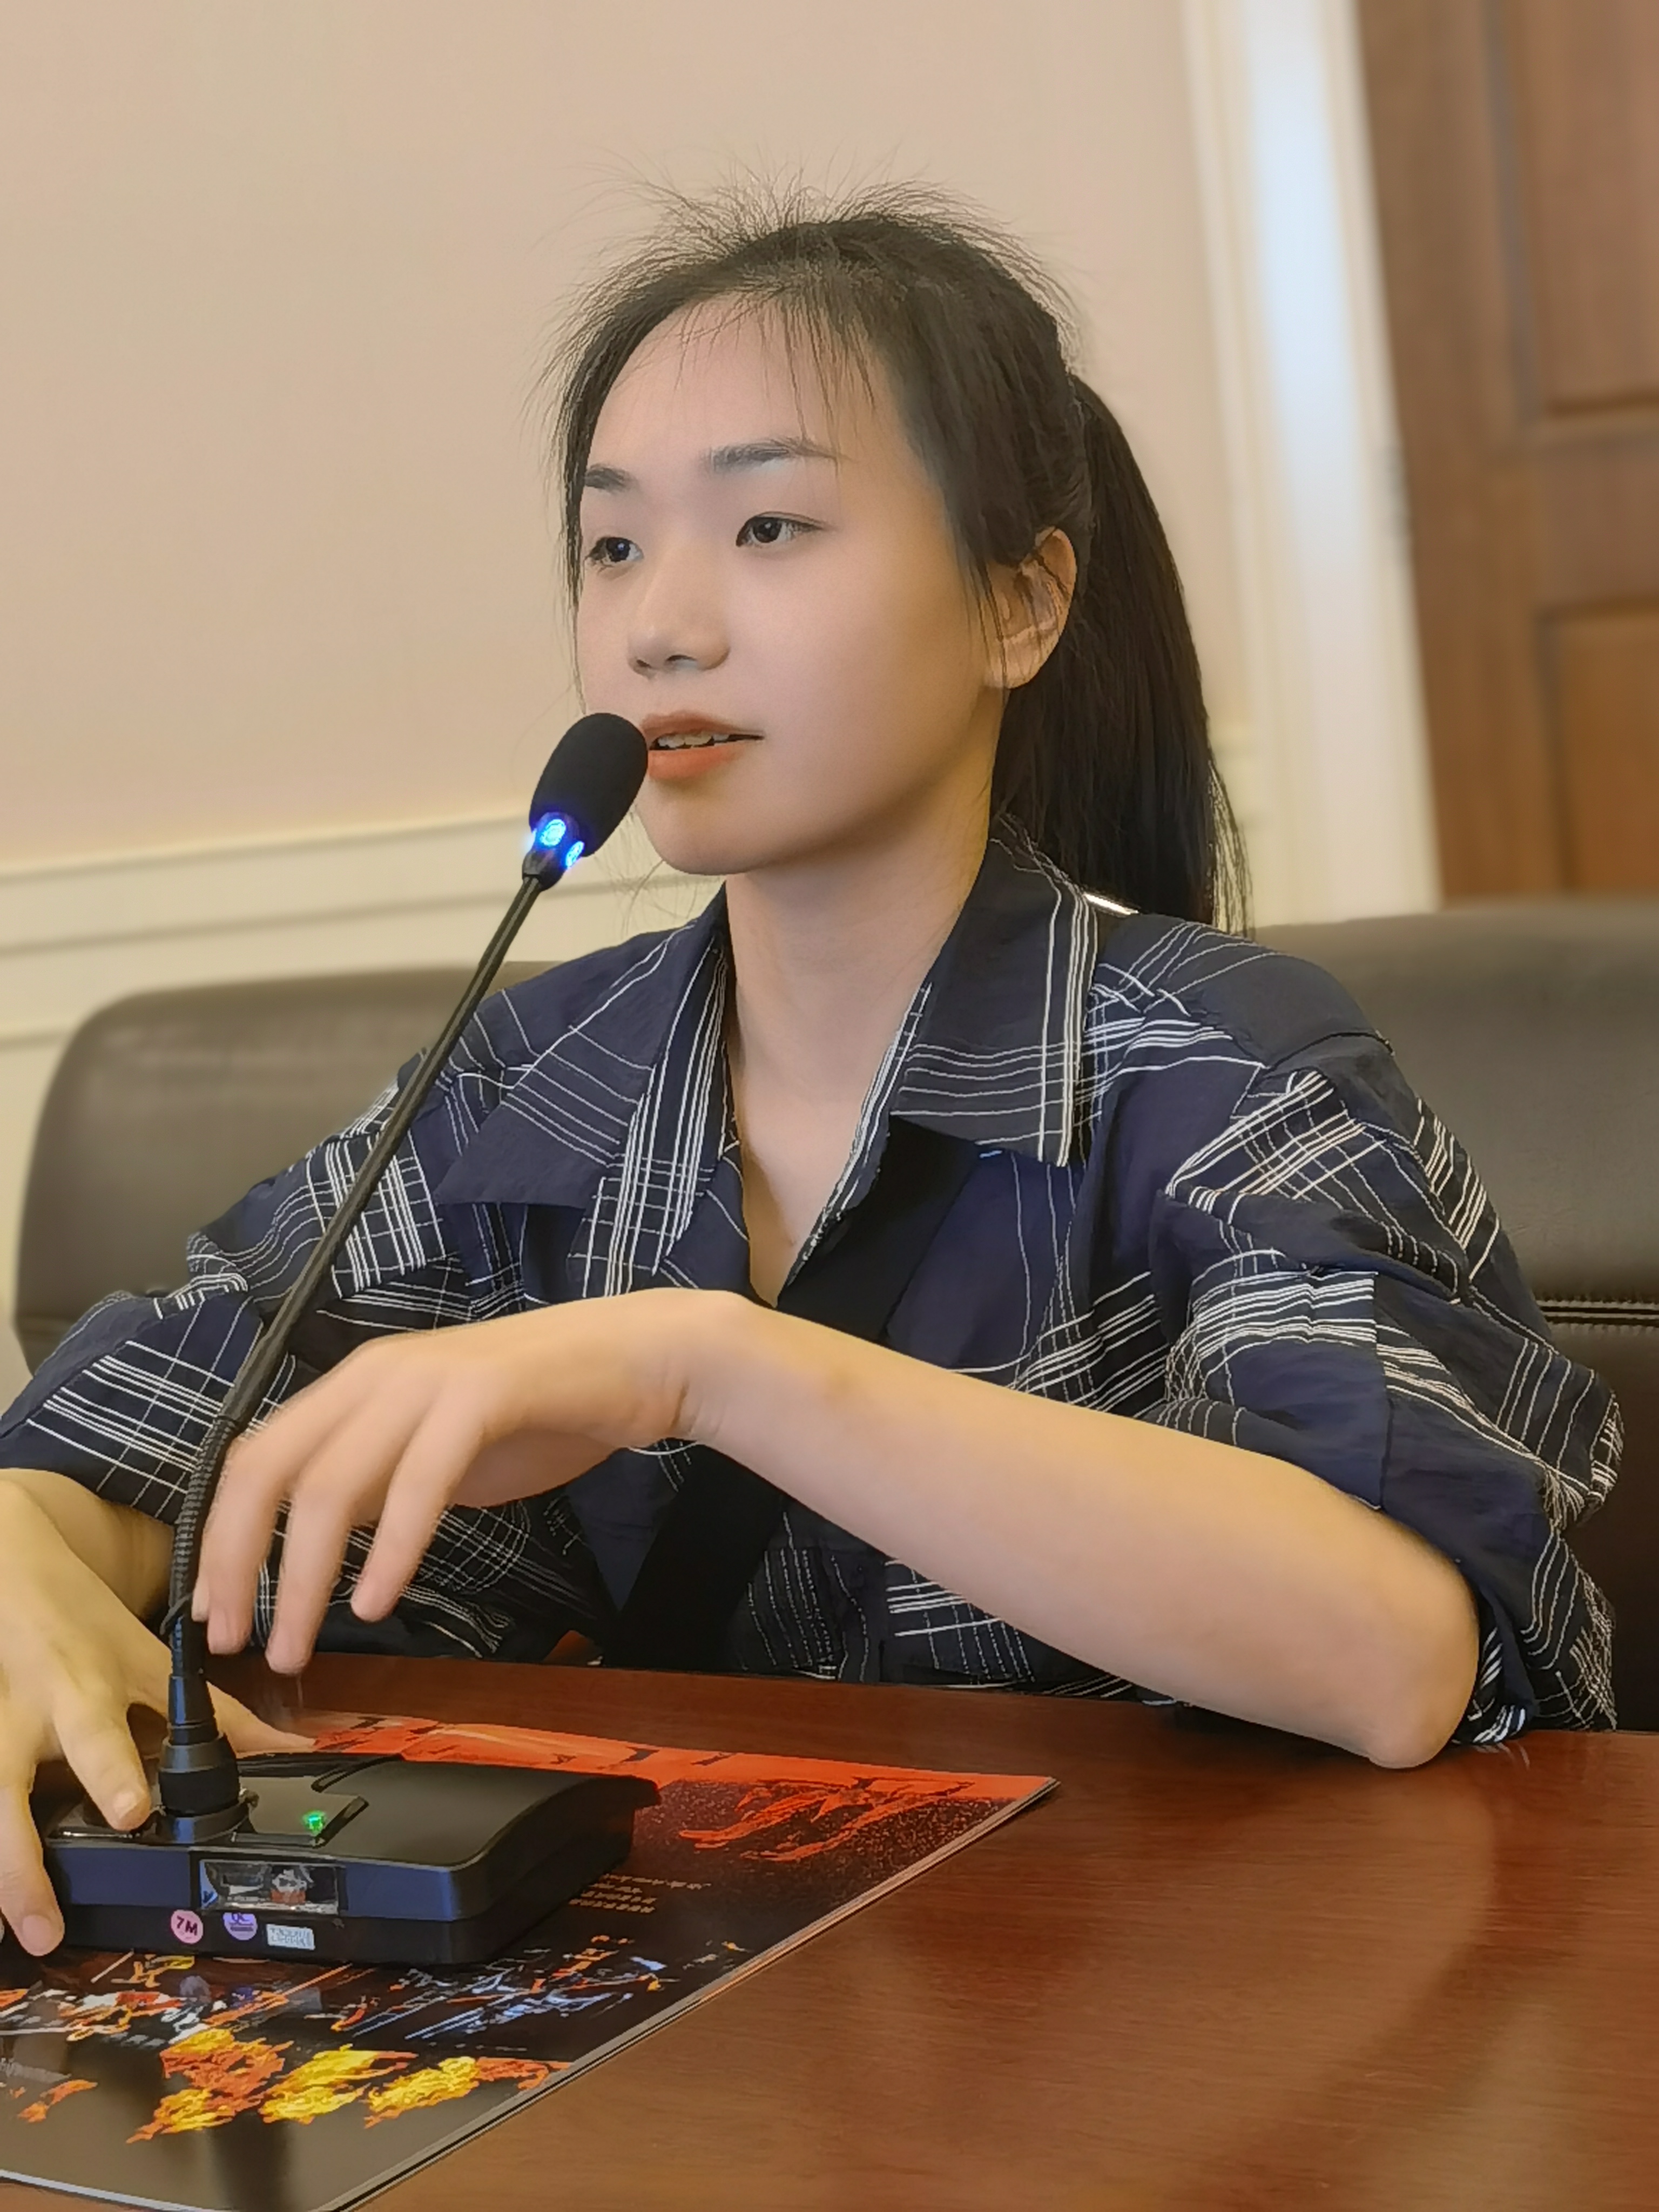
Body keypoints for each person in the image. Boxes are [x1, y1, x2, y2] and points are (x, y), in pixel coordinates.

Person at [0, 190, 1618, 1958]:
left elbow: (1392, 1655)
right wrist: (23, 1545)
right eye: (613, 547)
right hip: (687, 2024)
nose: (661, 626)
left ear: (1020, 603)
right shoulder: (536, 1074)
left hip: (1165, 2004)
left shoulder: (1230, 1067)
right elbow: (140, 1442)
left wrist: (705, 1366)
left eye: (768, 525)